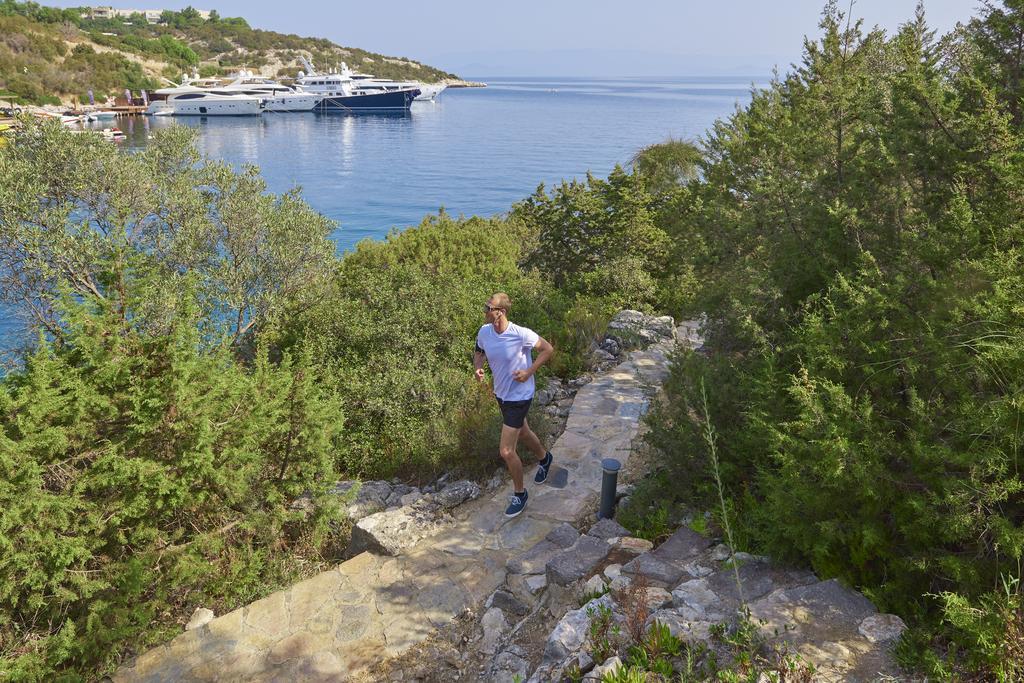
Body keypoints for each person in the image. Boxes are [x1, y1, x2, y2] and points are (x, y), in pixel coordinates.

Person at [474, 293, 555, 517]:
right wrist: (478, 367)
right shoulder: (484, 332)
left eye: (488, 307)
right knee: (524, 432)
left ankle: (520, 494)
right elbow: (479, 352)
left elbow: (547, 349)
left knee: (507, 451)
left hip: (520, 396)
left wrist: (529, 371)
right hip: (502, 394)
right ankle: (545, 458)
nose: (485, 310)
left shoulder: (521, 334)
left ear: (500, 311)